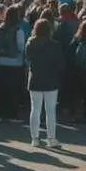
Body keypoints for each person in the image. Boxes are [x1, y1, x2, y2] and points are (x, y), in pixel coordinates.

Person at [25, 18, 65, 148]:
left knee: (35, 109)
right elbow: (60, 64)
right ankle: (51, 138)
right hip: (51, 79)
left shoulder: (30, 43)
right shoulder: (55, 45)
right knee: (50, 111)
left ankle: (35, 138)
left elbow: (28, 60)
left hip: (35, 78)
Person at [0, 6, 27, 121]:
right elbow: (21, 46)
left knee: (2, 88)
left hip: (2, 62)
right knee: (14, 89)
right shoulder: (18, 29)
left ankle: (1, 113)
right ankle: (12, 113)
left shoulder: (0, 28)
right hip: (16, 63)